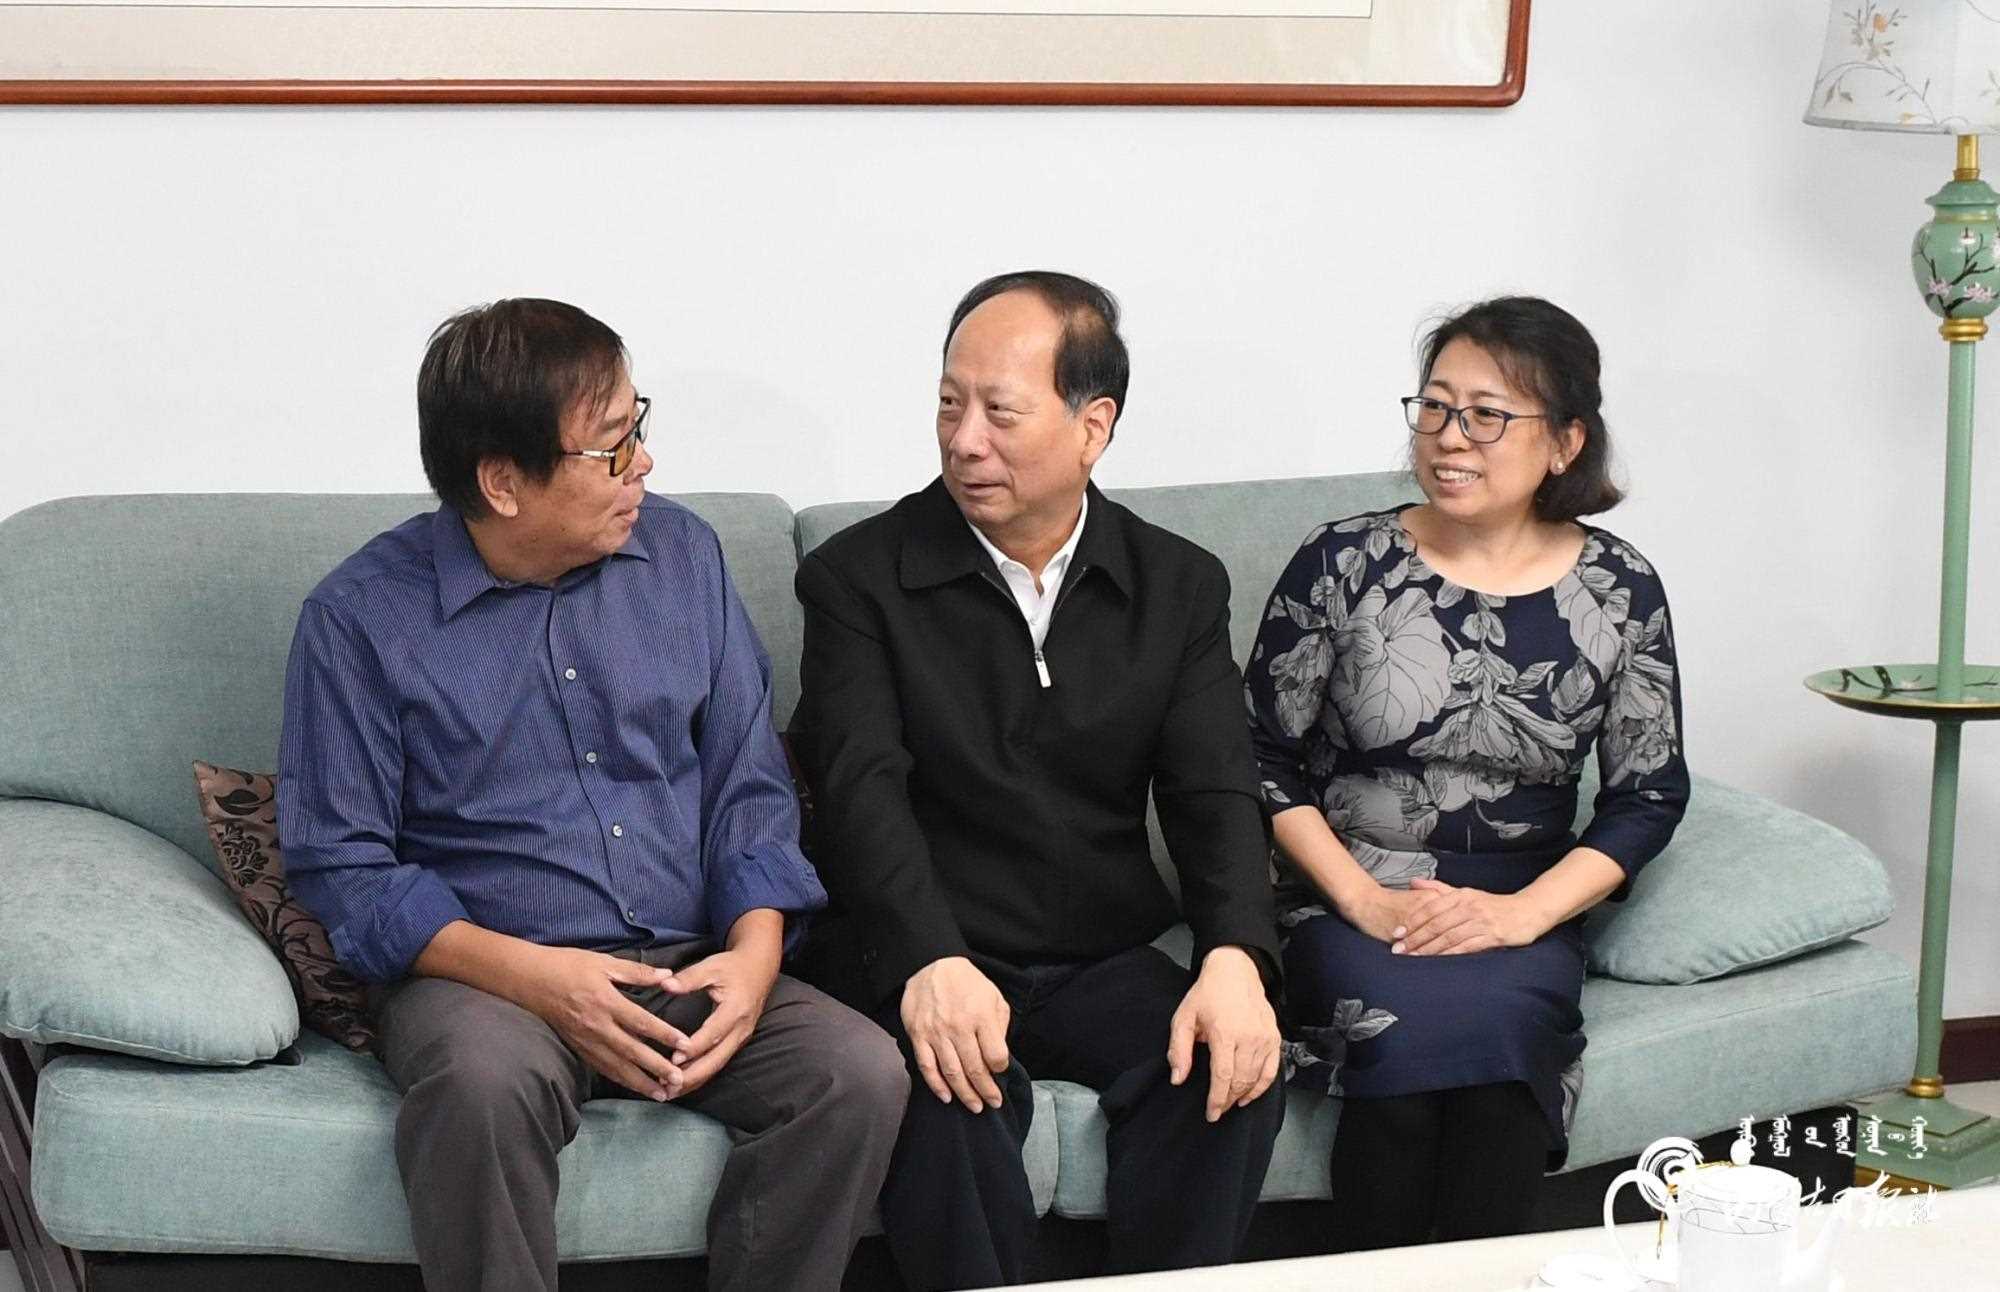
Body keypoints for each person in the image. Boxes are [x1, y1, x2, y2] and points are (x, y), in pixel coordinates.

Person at [276, 297, 906, 1292]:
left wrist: (753, 956)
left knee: (857, 1072)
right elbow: (343, 867)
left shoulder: (685, 557)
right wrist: (540, 980)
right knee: (480, 1086)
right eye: (611, 447)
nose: (643, 464)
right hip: (489, 982)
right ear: (502, 481)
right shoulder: (357, 620)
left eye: (637, 426)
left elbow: (746, 786)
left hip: (688, 963)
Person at [791, 270, 1286, 1289]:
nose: (964, 440)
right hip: (929, 945)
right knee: (944, 1094)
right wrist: (926, 958)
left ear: (1092, 426)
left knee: (1228, 1071)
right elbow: (856, 788)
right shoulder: (858, 578)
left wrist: (1237, 956)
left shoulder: (1176, 584)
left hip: (1097, 953)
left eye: (1000, 412)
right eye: (949, 404)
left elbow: (1214, 792)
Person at [1244, 295, 1689, 1249]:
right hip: (1347, 890)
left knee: (1500, 1070)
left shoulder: (1621, 588)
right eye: (1437, 407)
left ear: (1565, 441)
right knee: (1401, 1056)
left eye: (1487, 415)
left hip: (1518, 903)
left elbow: (1648, 793)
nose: (1450, 437)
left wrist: (1525, 916)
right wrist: (1363, 901)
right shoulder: (1342, 561)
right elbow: (1258, 753)